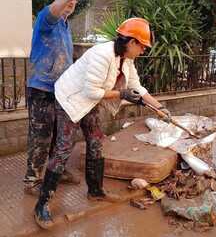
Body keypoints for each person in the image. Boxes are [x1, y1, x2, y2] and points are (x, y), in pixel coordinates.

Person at [34, 17, 171, 229]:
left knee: (96, 141)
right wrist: (122, 93)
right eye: (142, 47)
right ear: (131, 42)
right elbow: (92, 91)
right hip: (70, 99)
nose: (143, 51)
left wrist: (159, 108)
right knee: (63, 150)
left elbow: (137, 88)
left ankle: (95, 191)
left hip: (90, 100)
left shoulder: (126, 59)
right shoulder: (102, 54)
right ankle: (41, 204)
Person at [24, 0, 86, 195]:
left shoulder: (66, 26)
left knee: (59, 135)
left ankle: (54, 170)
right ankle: (32, 180)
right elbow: (53, 12)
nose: (70, 2)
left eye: (74, 0)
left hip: (61, 90)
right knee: (40, 136)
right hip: (41, 87)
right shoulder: (46, 18)